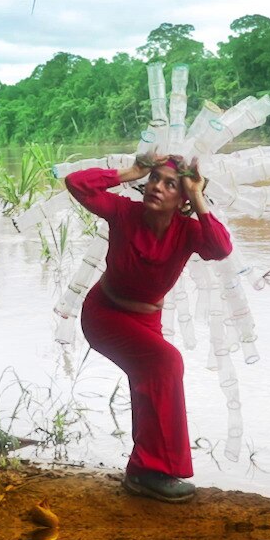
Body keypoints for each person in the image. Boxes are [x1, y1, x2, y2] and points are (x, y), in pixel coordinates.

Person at [64, 154, 232, 503]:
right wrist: (130, 172)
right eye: (154, 178)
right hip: (105, 314)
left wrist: (198, 195)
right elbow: (76, 184)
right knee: (166, 363)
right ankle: (147, 471)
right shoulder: (124, 213)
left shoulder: (186, 232)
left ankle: (147, 470)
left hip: (146, 320)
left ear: (182, 198)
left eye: (170, 184)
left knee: (150, 383)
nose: (157, 186)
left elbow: (220, 248)